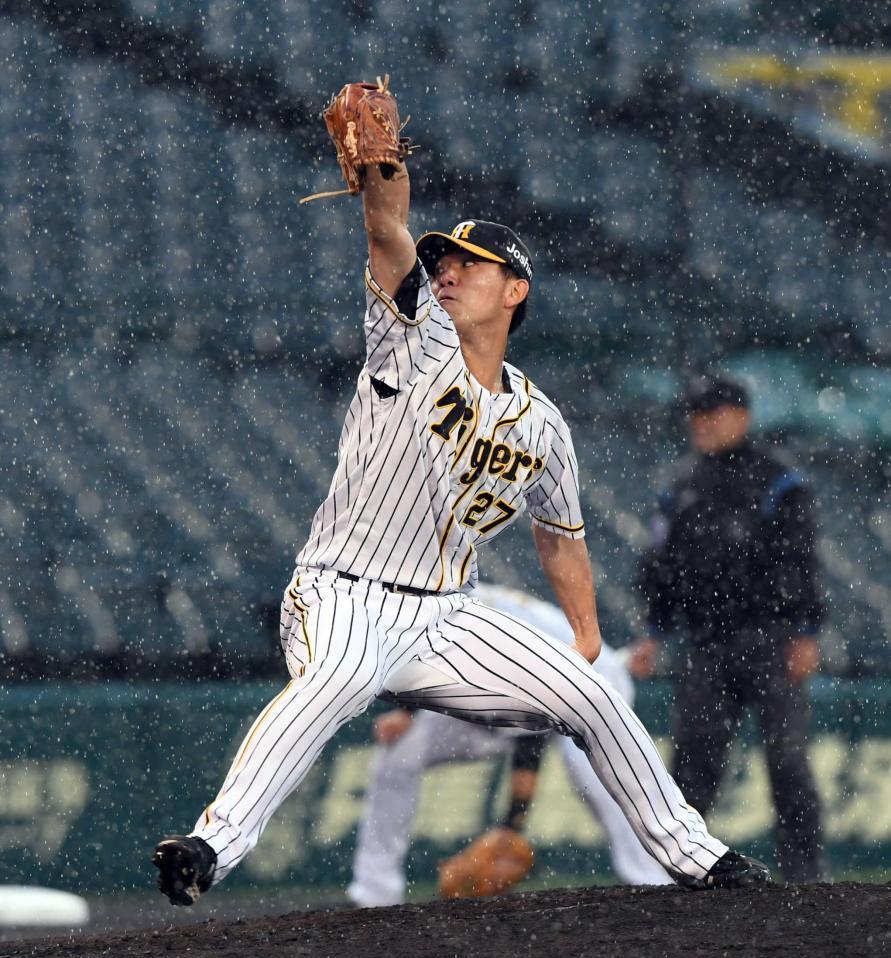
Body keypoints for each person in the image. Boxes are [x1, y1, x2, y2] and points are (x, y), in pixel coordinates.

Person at [152, 83, 770, 906]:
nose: (446, 273)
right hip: (341, 591)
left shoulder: (542, 422)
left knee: (593, 697)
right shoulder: (411, 339)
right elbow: (386, 230)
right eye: (443, 262)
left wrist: (585, 639)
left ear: (513, 290)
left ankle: (698, 859)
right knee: (335, 679)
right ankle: (209, 848)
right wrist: (382, 173)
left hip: (447, 615)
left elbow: (561, 534)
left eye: (468, 266)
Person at [348, 583, 671, 908]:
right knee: (399, 755)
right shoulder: (421, 610)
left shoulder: (467, 620)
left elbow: (536, 726)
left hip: (591, 677)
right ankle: (375, 893)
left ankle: (656, 881)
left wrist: (512, 822)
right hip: (510, 693)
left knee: (599, 780)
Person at [631, 374, 825, 883]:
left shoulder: (779, 480)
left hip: (771, 638)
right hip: (705, 643)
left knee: (786, 761)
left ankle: (806, 878)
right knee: (694, 764)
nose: (701, 424)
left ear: (742, 416)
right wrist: (654, 631)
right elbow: (661, 568)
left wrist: (805, 632)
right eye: (695, 415)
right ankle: (680, 870)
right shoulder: (682, 487)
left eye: (711, 413)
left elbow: (801, 561)